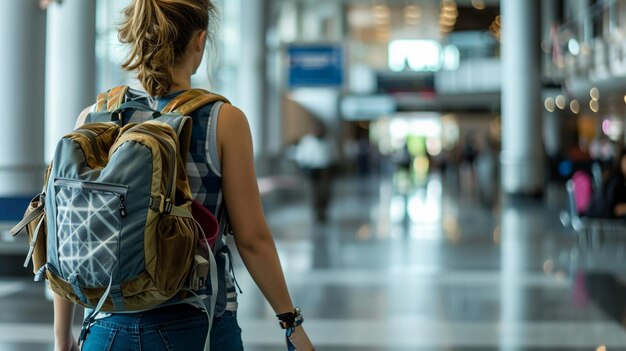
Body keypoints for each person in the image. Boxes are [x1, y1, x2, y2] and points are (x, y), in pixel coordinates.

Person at [53, 1, 314, 350]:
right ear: (200, 41)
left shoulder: (93, 118)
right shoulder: (222, 120)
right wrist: (290, 322)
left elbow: (72, 234)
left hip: (105, 324)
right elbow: (252, 239)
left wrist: (61, 336)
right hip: (196, 324)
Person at [294, 122, 336, 222]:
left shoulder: (328, 141)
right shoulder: (307, 141)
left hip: (325, 169)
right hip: (311, 169)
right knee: (313, 191)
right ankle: (316, 211)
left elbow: (333, 155)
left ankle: (323, 210)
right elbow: (301, 155)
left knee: (325, 191)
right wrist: (303, 167)